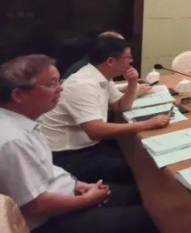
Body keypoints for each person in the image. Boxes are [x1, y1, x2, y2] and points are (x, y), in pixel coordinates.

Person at [0, 55, 161, 233]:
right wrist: (87, 200)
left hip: (67, 195)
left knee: (143, 194)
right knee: (150, 218)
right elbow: (35, 206)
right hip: (47, 225)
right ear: (18, 95)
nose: (60, 88)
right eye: (51, 84)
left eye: (58, 81)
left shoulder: (25, 121)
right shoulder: (12, 141)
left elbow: (46, 169)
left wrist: (79, 185)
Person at [38, 37, 170, 183]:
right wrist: (147, 124)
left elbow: (120, 106)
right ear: (110, 61)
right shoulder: (83, 84)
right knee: (139, 168)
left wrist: (132, 84)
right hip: (68, 155)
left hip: (88, 145)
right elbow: (95, 131)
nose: (131, 61)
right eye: (128, 57)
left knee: (139, 159)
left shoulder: (102, 76)